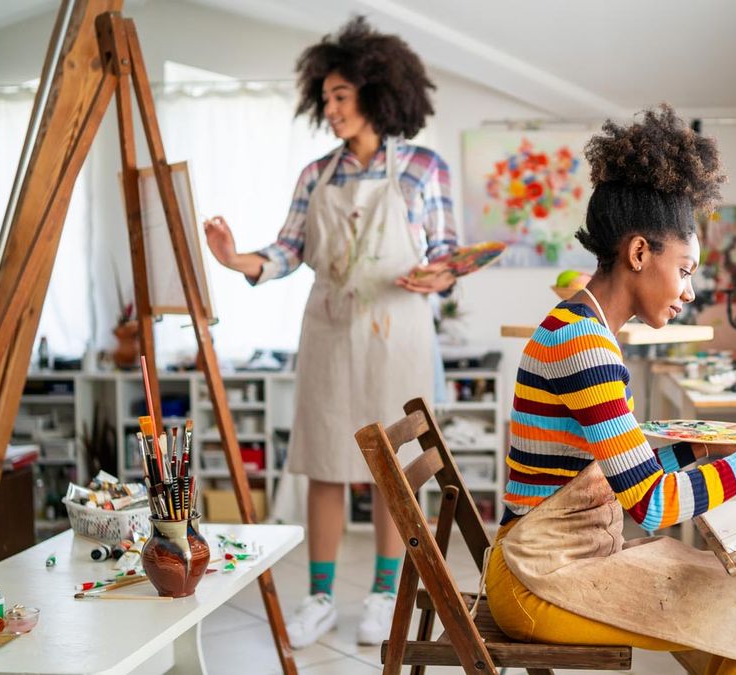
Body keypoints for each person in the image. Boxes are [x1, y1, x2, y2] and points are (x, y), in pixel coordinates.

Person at [487, 106, 736, 674]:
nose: (689, 290)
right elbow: (652, 506)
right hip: (539, 578)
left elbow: (619, 474)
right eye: (684, 270)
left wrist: (706, 450)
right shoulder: (585, 345)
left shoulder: (580, 326)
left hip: (556, 555)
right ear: (638, 254)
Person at [201, 17, 457, 648]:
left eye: (342, 95)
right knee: (322, 463)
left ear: (378, 91)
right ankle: (317, 596)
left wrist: (441, 274)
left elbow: (448, 252)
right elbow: (287, 252)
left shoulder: (424, 167)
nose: (330, 107)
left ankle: (380, 596)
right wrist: (239, 262)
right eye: (327, 97)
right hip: (328, 329)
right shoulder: (317, 174)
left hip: (399, 332)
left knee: (392, 472)